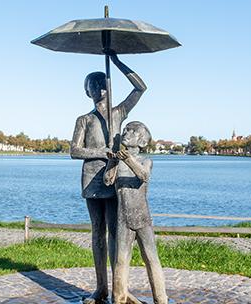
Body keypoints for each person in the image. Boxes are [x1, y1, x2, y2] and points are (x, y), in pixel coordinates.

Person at [70, 52, 146, 304]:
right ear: (87, 91)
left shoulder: (119, 112)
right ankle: (100, 288)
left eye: (103, 83)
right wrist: (101, 152)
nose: (99, 87)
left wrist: (116, 62)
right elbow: (74, 150)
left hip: (115, 181)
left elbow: (140, 87)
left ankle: (119, 289)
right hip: (92, 180)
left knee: (117, 233)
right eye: (93, 85)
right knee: (97, 232)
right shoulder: (84, 119)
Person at [104, 121, 168, 304]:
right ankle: (118, 298)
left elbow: (143, 175)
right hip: (123, 218)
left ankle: (161, 299)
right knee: (120, 260)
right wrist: (112, 161)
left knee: (151, 258)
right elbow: (108, 180)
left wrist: (128, 159)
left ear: (141, 141)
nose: (126, 133)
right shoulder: (118, 161)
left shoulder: (145, 161)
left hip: (142, 218)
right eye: (126, 129)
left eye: (132, 131)